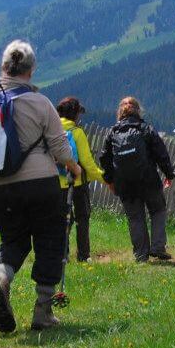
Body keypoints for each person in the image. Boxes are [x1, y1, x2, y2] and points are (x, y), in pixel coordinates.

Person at [0, 40, 82, 333]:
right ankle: (42, 312)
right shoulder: (40, 103)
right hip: (40, 184)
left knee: (13, 241)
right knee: (51, 239)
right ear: (32, 70)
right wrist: (74, 168)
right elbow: (61, 148)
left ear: (3, 67)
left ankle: (1, 281)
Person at [100, 97, 175, 263]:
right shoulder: (145, 129)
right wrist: (169, 174)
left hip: (125, 184)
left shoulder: (113, 132)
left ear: (120, 112)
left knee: (135, 218)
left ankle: (141, 255)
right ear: (138, 110)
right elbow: (161, 153)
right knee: (158, 210)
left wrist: (110, 180)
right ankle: (157, 247)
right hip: (148, 180)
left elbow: (104, 158)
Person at [56, 97, 105, 262]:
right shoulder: (77, 133)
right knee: (82, 219)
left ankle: (63, 255)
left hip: (57, 184)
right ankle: (83, 256)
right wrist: (106, 179)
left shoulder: (51, 132)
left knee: (62, 221)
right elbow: (88, 164)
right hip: (78, 183)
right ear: (75, 114)